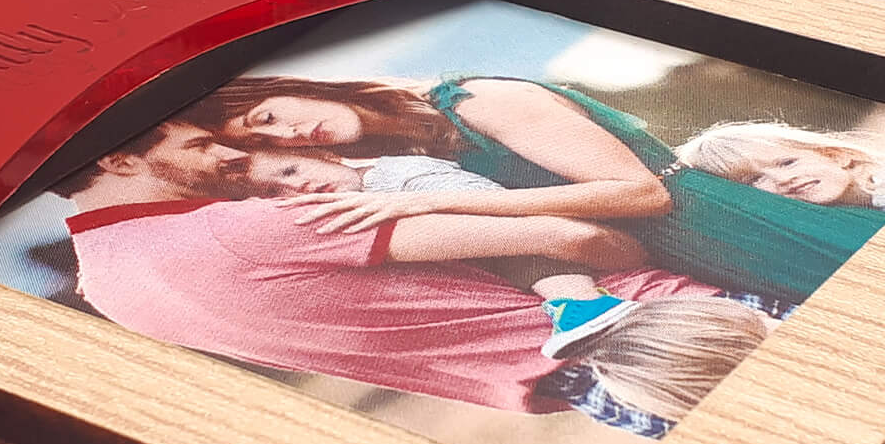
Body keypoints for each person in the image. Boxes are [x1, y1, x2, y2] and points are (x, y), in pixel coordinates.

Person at [54, 118, 774, 436]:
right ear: (120, 160)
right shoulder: (238, 226)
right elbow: (574, 238)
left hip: (616, 402)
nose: (223, 158)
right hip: (675, 324)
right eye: (199, 145)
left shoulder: (109, 289)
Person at [188, 75, 885, 301]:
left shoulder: (478, 100)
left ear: (295, 87)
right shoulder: (419, 146)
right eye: (269, 142)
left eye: (269, 115)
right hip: (702, 256)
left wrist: (434, 201)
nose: (289, 134)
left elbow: (642, 193)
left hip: (732, 225)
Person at [248, 144, 639, 356]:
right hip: (537, 244)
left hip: (544, 234)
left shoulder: (396, 177)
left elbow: (485, 201)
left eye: (291, 171)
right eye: (276, 192)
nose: (296, 187)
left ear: (325, 155)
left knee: (503, 243)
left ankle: (582, 303)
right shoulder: (370, 193)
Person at [673, 121, 885, 212]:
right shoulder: (855, 210)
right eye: (754, 180)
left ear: (837, 156)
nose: (782, 179)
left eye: (787, 162)